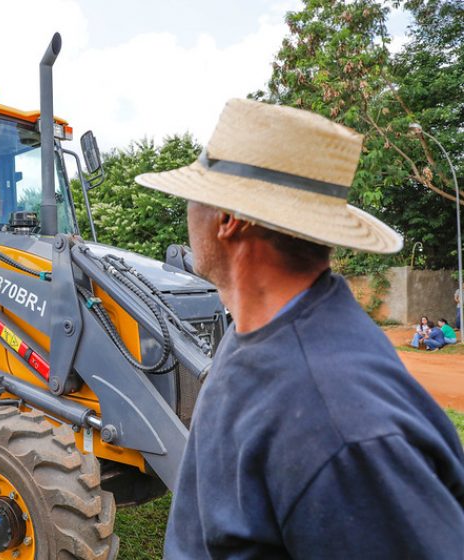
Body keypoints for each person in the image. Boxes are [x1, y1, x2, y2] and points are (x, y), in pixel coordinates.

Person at [135, 98, 464, 558]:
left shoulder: (336, 426)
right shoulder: (260, 329)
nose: (187, 209)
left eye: (197, 192)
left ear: (229, 220)